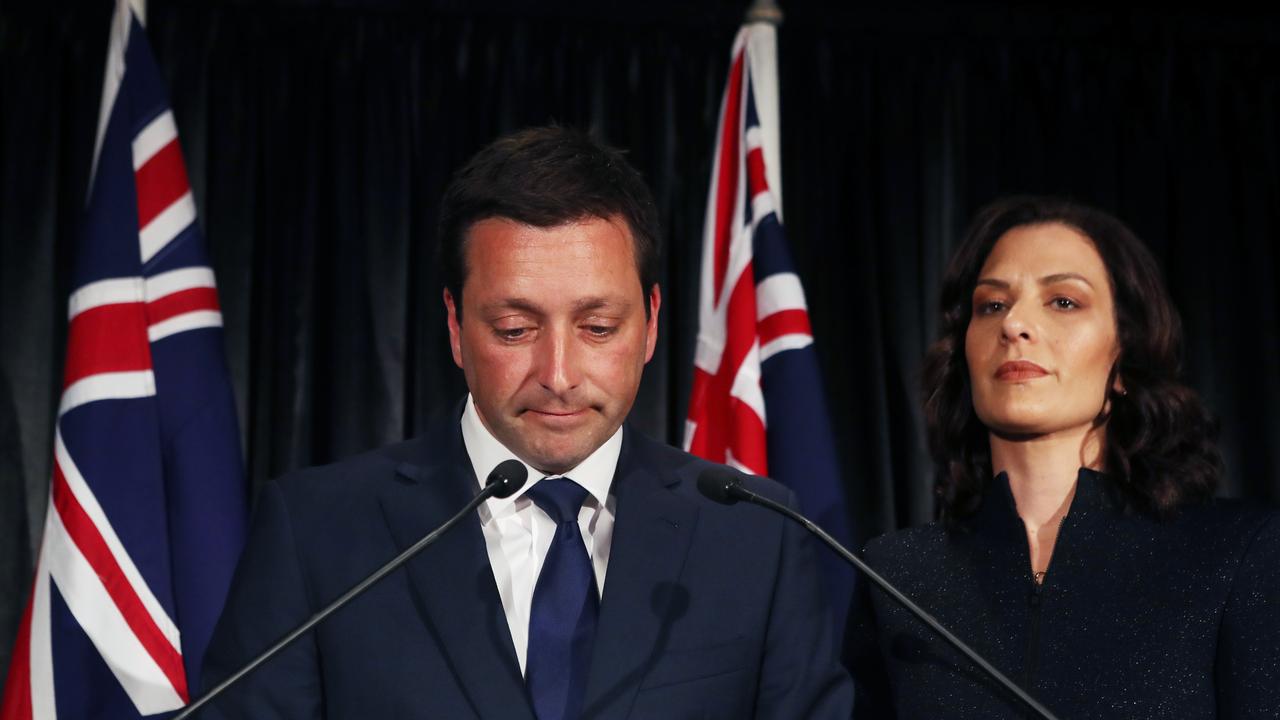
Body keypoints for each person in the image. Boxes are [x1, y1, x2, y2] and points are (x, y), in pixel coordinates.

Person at [201, 127, 853, 719]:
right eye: (515, 329)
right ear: (456, 327)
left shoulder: (755, 538)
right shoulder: (317, 532)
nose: (560, 373)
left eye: (598, 328)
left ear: (652, 323)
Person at [845, 196, 1280, 718]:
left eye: (1063, 302)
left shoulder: (1237, 554)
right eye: (992, 305)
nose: (1014, 325)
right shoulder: (895, 573)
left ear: (1126, 357)